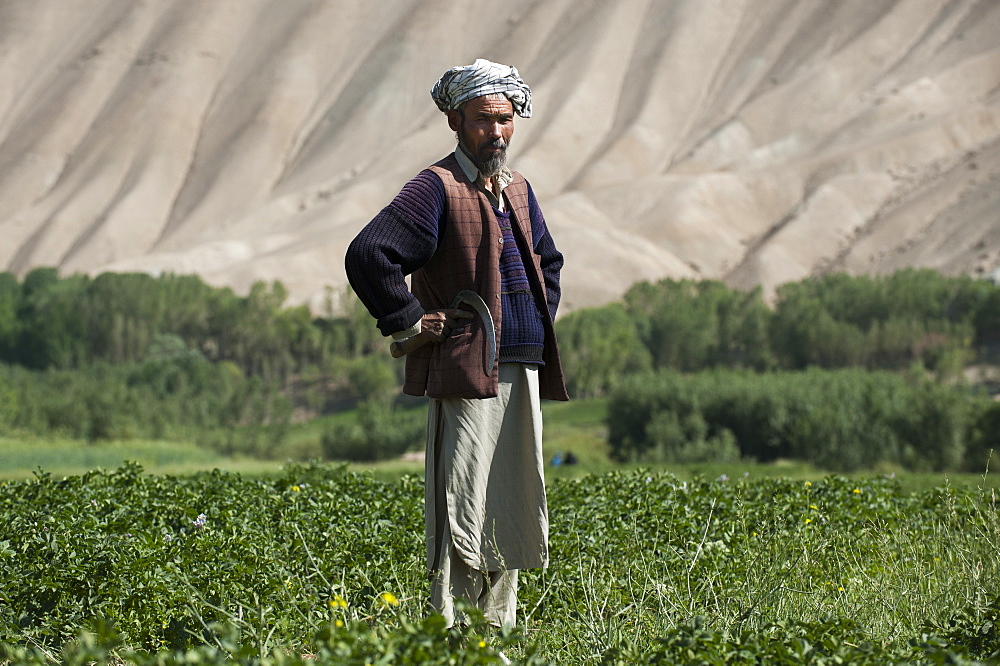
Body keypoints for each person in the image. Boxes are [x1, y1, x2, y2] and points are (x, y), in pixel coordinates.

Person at [345, 58, 568, 629]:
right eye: (482, 120)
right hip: (468, 369)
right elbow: (371, 254)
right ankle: (451, 632)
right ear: (455, 121)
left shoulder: (517, 189)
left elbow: (548, 260)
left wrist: (535, 318)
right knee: (463, 504)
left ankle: (496, 633)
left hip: (522, 367)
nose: (496, 132)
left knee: (513, 503)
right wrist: (412, 322)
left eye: (505, 119)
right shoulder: (436, 187)